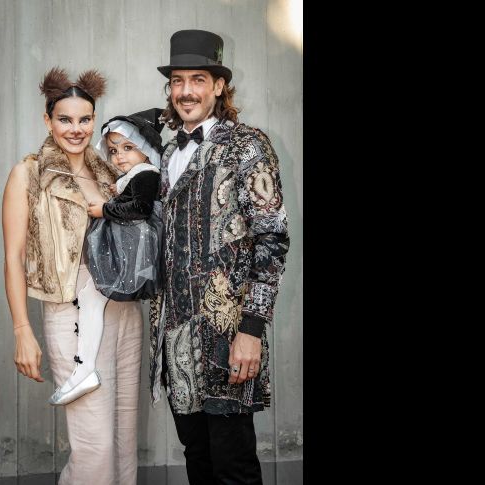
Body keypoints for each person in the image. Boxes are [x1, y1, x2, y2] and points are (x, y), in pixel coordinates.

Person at [149, 30, 291, 484]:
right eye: (178, 80)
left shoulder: (248, 145)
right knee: (197, 458)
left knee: (233, 466)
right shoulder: (166, 153)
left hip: (227, 335)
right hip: (175, 338)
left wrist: (252, 329)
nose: (186, 91)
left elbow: (272, 241)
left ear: (218, 86)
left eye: (198, 79)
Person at [2, 67, 144, 485]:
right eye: (65, 119)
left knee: (123, 438)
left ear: (94, 119)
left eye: (84, 119)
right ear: (48, 120)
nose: (76, 129)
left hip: (124, 311)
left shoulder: (112, 173)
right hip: (72, 314)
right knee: (94, 447)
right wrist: (22, 330)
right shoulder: (29, 174)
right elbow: (13, 258)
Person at [85, 108, 165, 302]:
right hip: (131, 240)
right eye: (113, 151)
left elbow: (141, 208)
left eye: (128, 148)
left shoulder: (146, 174)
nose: (119, 156)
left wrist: (104, 210)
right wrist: (120, 188)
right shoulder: (136, 174)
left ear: (145, 148)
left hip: (139, 239)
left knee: (129, 270)